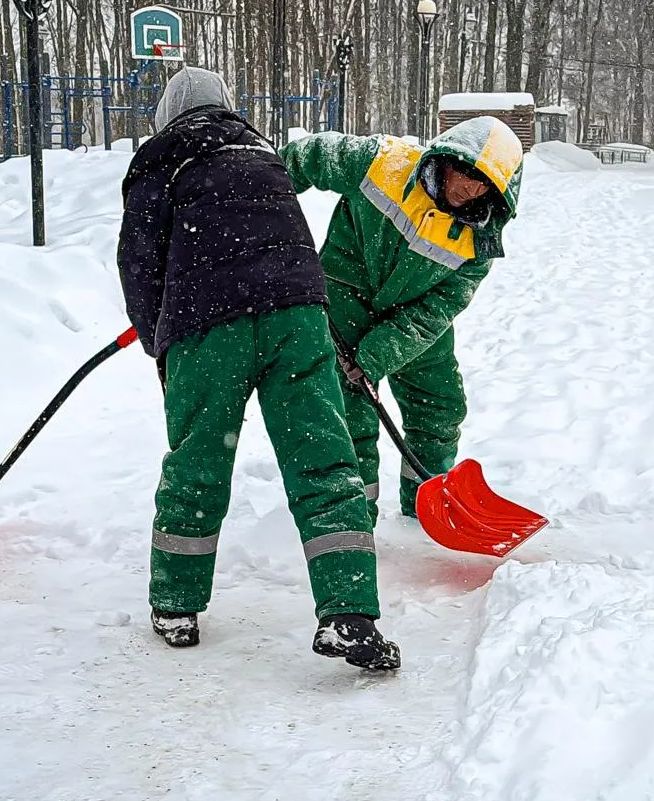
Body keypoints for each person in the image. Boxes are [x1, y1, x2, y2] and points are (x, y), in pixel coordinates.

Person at [117, 67, 399, 671]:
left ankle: (176, 603)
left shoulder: (160, 158)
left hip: (207, 322)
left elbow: (139, 265)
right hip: (298, 316)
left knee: (199, 458)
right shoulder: (266, 157)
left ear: (169, 114)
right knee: (324, 458)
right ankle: (351, 613)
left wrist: (158, 343)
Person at [280, 116, 523, 523]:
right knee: (350, 408)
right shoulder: (382, 162)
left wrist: (375, 356)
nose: (466, 186)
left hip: (415, 325)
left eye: (482, 182)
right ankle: (354, 512)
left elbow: (439, 309)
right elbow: (307, 156)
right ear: (444, 159)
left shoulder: (480, 241)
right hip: (346, 299)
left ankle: (425, 509)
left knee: (440, 408)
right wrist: (256, 203)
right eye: (461, 170)